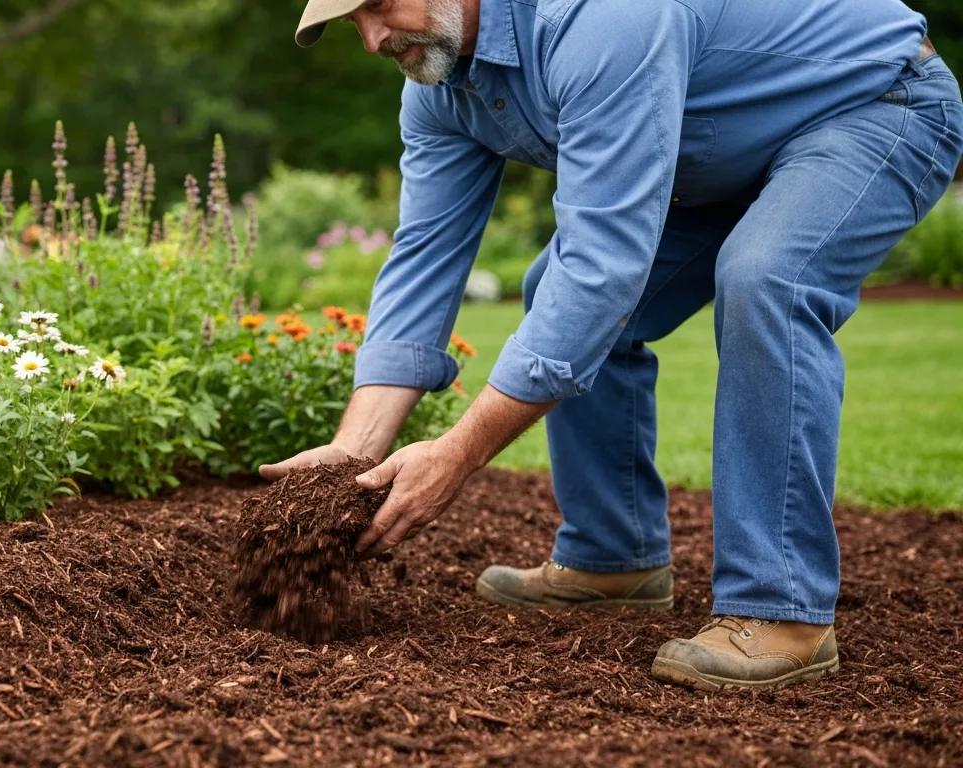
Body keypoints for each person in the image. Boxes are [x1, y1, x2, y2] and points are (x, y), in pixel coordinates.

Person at [264, 0, 962, 691]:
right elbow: (424, 259)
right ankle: (612, 556)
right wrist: (354, 455)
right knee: (550, 291)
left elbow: (603, 269)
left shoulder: (600, 17)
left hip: (872, 104)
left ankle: (782, 613)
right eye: (350, 23)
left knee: (767, 280)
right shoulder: (442, 93)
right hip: (725, 158)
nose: (371, 38)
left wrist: (457, 455)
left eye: (378, 6)